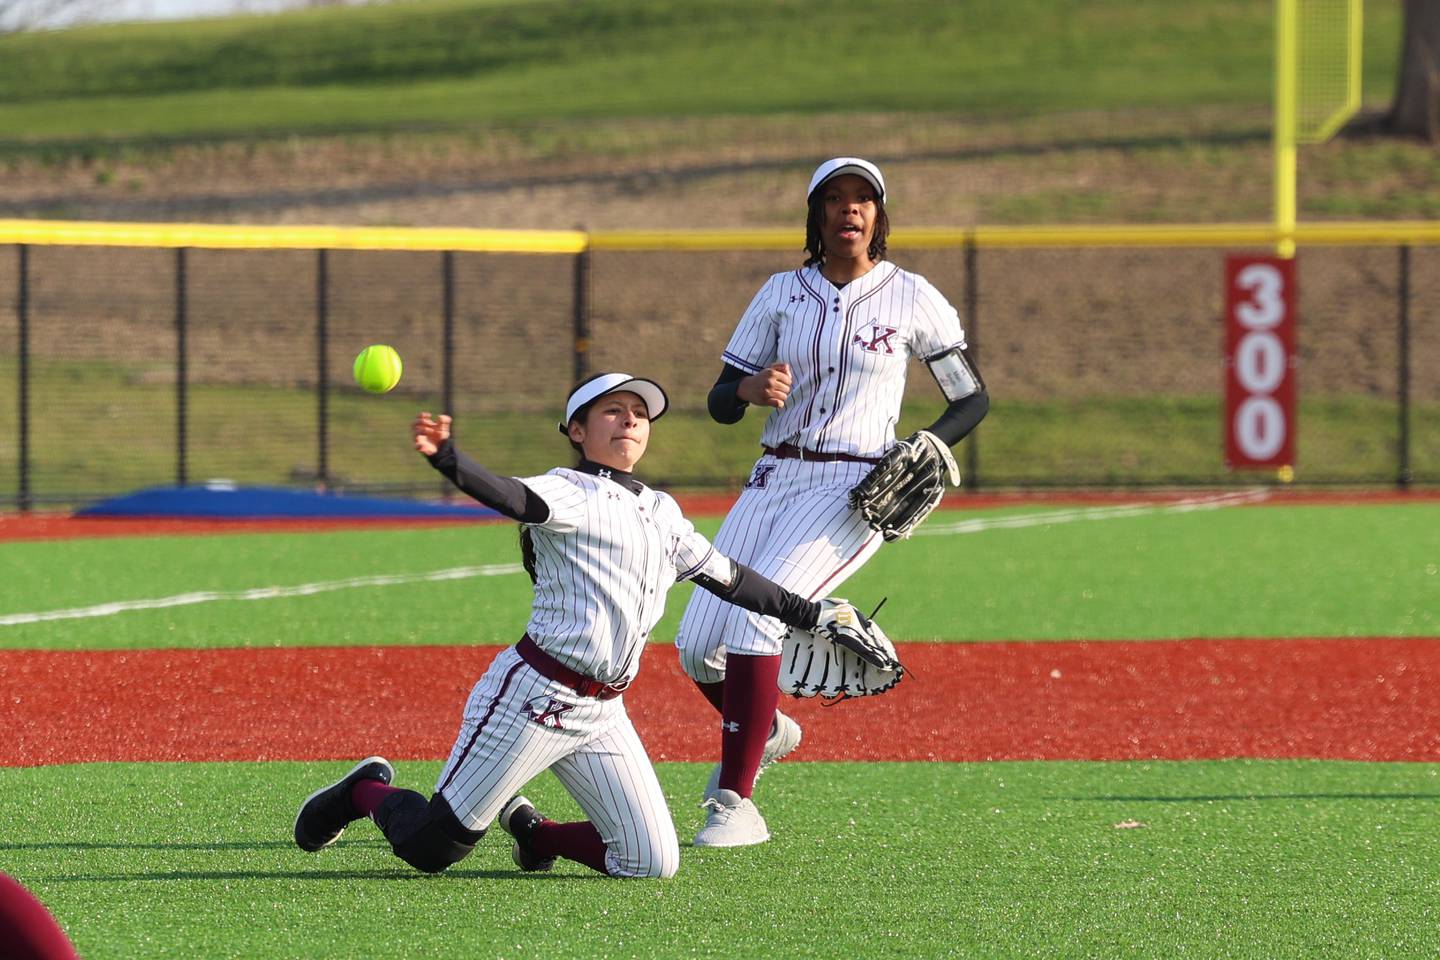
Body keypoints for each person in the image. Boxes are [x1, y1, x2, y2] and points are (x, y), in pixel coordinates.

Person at [293, 372, 875, 878]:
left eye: (640, 413)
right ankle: (363, 790)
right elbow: (512, 497)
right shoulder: (569, 491)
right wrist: (449, 460)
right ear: (578, 431)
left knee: (650, 862)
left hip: (603, 713)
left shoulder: (661, 511)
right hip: (533, 698)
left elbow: (731, 579)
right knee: (432, 848)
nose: (630, 420)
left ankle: (534, 832)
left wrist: (813, 613)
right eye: (613, 411)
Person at [676, 157, 990, 847]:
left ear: (879, 216)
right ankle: (770, 726)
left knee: (758, 623)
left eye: (863, 199)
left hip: (852, 487)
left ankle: (736, 802)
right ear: (817, 215)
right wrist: (747, 390)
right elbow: (719, 402)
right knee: (697, 647)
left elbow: (972, 396)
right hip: (770, 480)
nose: (850, 210)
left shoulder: (912, 296)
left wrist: (931, 445)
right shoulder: (782, 293)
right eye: (836, 199)